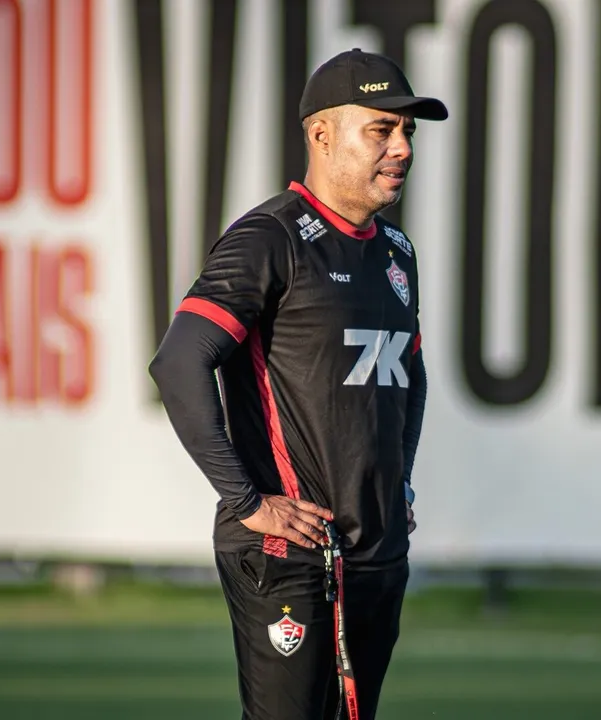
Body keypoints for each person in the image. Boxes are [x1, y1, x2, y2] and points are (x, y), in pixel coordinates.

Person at [149, 48, 448, 720]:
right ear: (322, 134)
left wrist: (398, 485)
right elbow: (179, 361)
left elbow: (410, 376)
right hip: (289, 554)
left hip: (376, 553)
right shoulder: (271, 238)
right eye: (382, 129)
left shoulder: (396, 252)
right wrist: (246, 500)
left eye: (407, 132)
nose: (402, 148)